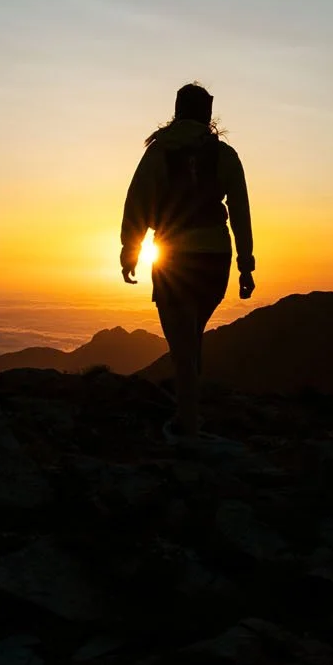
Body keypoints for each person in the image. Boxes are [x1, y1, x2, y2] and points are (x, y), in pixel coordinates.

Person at [120, 83, 255, 442]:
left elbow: (138, 202)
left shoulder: (159, 152)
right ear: (208, 114)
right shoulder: (225, 155)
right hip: (215, 260)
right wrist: (246, 265)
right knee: (191, 337)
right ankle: (190, 412)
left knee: (182, 346)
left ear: (178, 110)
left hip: (174, 258)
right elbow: (240, 212)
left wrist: (130, 249)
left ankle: (188, 427)